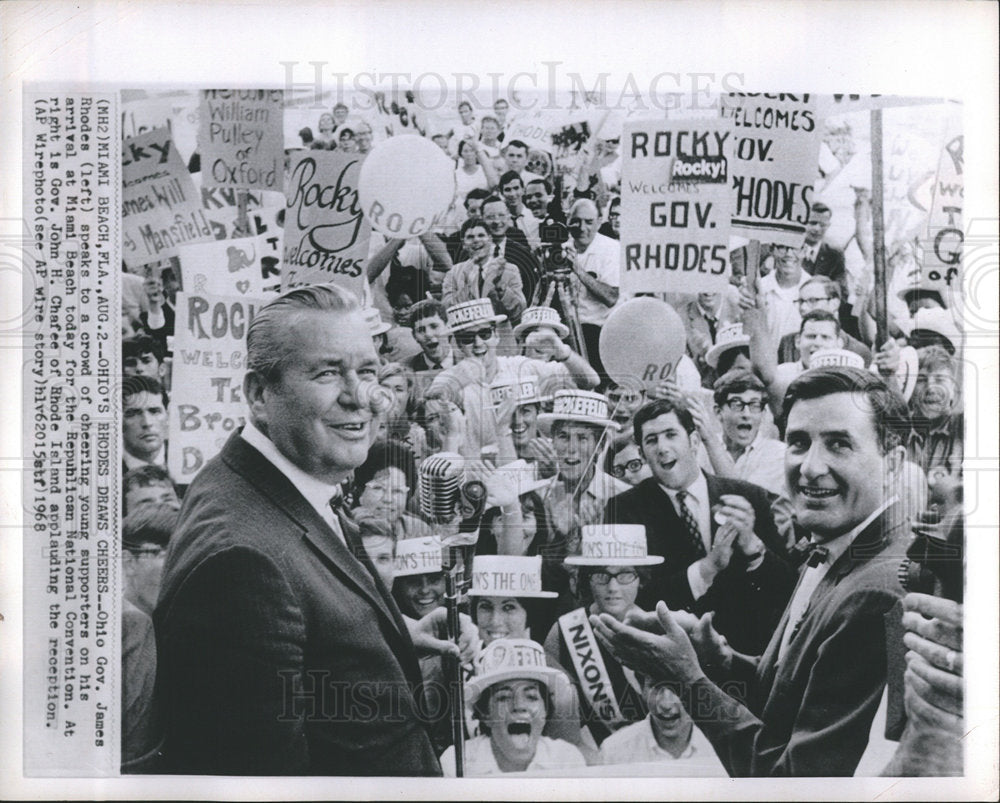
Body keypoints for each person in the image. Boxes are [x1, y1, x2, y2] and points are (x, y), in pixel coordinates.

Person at [154, 284, 450, 775]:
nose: (360, 398)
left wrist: (385, 636)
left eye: (368, 371)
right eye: (328, 373)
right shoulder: (241, 566)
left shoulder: (291, 478)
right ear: (258, 395)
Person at [592, 367, 913, 777]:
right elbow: (796, 689)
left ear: (894, 463)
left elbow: (794, 781)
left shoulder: (877, 589)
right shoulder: (840, 550)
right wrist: (725, 662)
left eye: (839, 444)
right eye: (798, 443)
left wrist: (689, 680)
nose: (811, 467)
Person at [604, 398, 794, 655]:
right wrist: (706, 569)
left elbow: (787, 589)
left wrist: (752, 547)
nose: (662, 447)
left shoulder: (748, 497)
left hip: (747, 656)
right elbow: (633, 596)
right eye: (651, 440)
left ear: (693, 442)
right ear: (642, 453)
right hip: (670, 657)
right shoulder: (623, 509)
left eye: (671, 435)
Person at [544, 524, 659, 745]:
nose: (613, 587)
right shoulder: (563, 632)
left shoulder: (657, 629)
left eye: (625, 575)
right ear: (587, 579)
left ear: (641, 579)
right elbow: (553, 711)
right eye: (601, 575)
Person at [440, 639, 588, 776]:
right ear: (485, 713)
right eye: (503, 697)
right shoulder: (456, 762)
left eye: (531, 697)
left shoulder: (567, 760)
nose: (519, 706)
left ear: (546, 711)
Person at [599, 674, 727, 774]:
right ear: (642, 690)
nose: (666, 704)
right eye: (656, 687)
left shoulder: (725, 747)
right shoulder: (613, 752)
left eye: (677, 688)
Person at [564, 198, 621, 384]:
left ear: (598, 223)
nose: (582, 228)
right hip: (568, 331)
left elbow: (611, 297)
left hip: (600, 333)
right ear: (568, 220)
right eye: (577, 221)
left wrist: (577, 269)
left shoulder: (611, 249)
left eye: (589, 222)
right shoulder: (562, 248)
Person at [441, 218, 526, 332]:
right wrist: (468, 283)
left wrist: (501, 288)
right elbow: (447, 309)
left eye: (481, 235)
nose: (476, 240)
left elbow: (519, 310)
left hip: (502, 338)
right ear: (463, 244)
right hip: (468, 338)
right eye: (470, 237)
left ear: (490, 240)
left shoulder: (509, 269)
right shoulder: (454, 273)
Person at [777, 276, 871, 365]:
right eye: (801, 301)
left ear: (834, 303)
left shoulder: (858, 351)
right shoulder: (787, 344)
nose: (803, 307)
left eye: (813, 301)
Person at [122, 375, 169, 472]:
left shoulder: (187, 461)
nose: (147, 423)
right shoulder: (105, 468)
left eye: (155, 411)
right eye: (133, 414)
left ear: (167, 416)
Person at [406, 299, 455, 373]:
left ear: (448, 327)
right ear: (414, 336)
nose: (428, 334)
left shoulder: (469, 361)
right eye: (420, 330)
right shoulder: (406, 369)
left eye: (434, 326)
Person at [498, 171, 541, 251]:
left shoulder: (534, 217)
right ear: (501, 193)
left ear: (523, 190)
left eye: (516, 188)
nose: (512, 194)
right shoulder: (499, 220)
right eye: (507, 190)